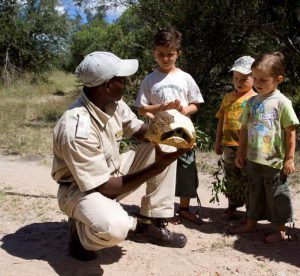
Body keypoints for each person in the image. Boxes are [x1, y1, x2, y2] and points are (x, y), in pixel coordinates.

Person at [51, 51, 192, 261]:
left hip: (111, 173)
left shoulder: (113, 104)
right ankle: (81, 234)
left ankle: (150, 223)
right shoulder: (76, 128)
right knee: (115, 227)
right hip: (79, 189)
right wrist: (157, 166)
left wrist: (172, 133)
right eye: (121, 79)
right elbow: (104, 187)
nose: (126, 82)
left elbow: (139, 130)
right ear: (107, 85)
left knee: (167, 146)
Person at [135, 28, 204, 225]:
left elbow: (196, 104)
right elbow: (142, 108)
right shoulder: (150, 80)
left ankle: (184, 208)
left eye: (170, 54)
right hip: (159, 135)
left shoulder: (185, 78)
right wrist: (160, 110)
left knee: (186, 168)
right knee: (160, 170)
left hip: (183, 133)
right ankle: (161, 210)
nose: (165, 59)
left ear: (178, 54)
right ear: (154, 53)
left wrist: (184, 110)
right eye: (161, 54)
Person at [231, 52, 299, 243]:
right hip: (253, 159)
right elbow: (244, 129)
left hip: (274, 161)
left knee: (276, 195)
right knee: (253, 192)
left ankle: (280, 230)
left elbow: (290, 132)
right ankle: (251, 223)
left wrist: (290, 158)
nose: (258, 83)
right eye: (255, 78)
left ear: (278, 79)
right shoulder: (251, 102)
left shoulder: (282, 103)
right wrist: (240, 152)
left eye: (263, 79)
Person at [215, 56, 256, 220]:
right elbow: (220, 120)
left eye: (244, 79)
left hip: (247, 147)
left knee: (248, 176)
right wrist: (217, 142)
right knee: (231, 176)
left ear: (254, 78)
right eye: (236, 78)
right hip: (228, 145)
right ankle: (232, 205)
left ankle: (250, 210)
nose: (239, 82)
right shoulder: (228, 97)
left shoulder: (255, 99)